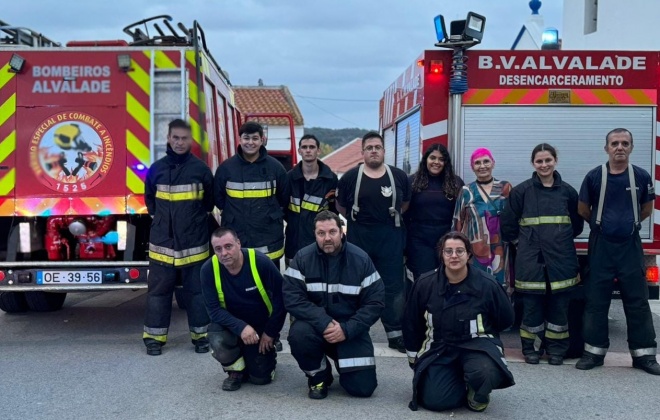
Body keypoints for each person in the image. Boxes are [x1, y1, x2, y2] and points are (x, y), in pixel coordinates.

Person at [576, 128, 660, 375]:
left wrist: (626, 225)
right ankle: (593, 353)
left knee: (638, 301)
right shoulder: (594, 177)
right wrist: (602, 224)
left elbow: (646, 209)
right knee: (596, 301)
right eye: (615, 143)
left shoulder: (642, 177)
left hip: (630, 245)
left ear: (631, 147)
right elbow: (583, 209)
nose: (620, 147)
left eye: (625, 143)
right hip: (601, 244)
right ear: (606, 148)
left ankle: (644, 356)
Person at [403, 232, 515, 413]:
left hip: (476, 346)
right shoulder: (425, 284)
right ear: (441, 254)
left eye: (459, 251)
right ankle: (459, 379)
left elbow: (505, 319)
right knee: (435, 401)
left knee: (484, 372)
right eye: (448, 251)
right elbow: (411, 324)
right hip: (440, 348)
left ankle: (478, 391)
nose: (454, 255)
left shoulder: (487, 284)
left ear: (469, 254)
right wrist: (415, 361)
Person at [283, 211, 385, 399]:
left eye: (332, 232)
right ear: (315, 234)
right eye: (321, 233)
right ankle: (319, 376)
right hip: (316, 328)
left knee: (362, 389)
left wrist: (346, 329)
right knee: (299, 334)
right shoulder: (302, 258)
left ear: (341, 232)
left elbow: (375, 302)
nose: (327, 238)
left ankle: (345, 364)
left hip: (350, 330)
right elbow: (292, 297)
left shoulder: (360, 259)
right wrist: (324, 322)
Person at [501, 143, 583, 366]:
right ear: (533, 163)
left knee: (559, 308)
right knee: (531, 308)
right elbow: (507, 224)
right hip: (531, 260)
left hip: (561, 259)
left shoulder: (568, 192)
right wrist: (523, 244)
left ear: (555, 160)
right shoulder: (521, 192)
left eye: (548, 160)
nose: (544, 165)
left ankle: (556, 350)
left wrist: (558, 240)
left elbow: (576, 226)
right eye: (539, 161)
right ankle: (531, 350)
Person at [335, 131, 412, 353]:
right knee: (356, 287)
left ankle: (395, 333)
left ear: (384, 151)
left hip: (391, 238)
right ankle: (356, 330)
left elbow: (405, 203)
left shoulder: (398, 176)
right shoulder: (350, 177)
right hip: (359, 238)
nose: (374, 151)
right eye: (369, 148)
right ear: (363, 152)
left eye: (377, 147)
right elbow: (341, 207)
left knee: (393, 287)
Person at [142, 118, 213, 356]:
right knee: (158, 292)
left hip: (194, 243)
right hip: (163, 243)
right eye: (176, 138)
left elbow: (209, 203)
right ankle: (154, 338)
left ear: (190, 140)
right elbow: (150, 202)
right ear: (168, 139)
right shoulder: (156, 169)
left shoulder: (201, 170)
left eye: (184, 138)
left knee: (197, 292)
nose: (180, 142)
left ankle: (202, 337)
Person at [200, 227, 287, 391]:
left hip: (261, 328)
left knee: (261, 379)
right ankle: (235, 371)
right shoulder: (208, 270)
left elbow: (281, 299)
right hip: (232, 327)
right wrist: (241, 328)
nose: (224, 253)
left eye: (228, 246)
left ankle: (266, 355)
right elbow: (213, 310)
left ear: (238, 244)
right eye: (218, 249)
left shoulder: (260, 262)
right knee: (216, 337)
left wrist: (271, 333)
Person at [214, 121, 288, 268]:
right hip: (236, 232)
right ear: (240, 140)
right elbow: (218, 198)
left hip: (268, 236)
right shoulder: (226, 168)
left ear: (262, 140)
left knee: (268, 285)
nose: (250, 142)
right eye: (246, 138)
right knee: (235, 283)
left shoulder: (276, 168)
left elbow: (283, 199)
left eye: (255, 138)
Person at [452, 147, 512, 287]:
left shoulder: (505, 187)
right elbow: (457, 223)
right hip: (475, 251)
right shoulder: (466, 191)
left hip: (500, 249)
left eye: (486, 161)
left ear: (493, 163)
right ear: (472, 167)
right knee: (474, 286)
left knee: (499, 288)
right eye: (477, 163)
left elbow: (514, 218)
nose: (482, 166)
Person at [405, 144, 464, 283]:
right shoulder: (412, 182)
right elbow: (404, 213)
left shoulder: (456, 182)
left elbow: (463, 213)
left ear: (446, 163)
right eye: (432, 158)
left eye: (441, 159)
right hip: (419, 241)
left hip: (447, 239)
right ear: (425, 159)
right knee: (424, 279)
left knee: (447, 278)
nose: (436, 162)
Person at [284, 134, 338, 265]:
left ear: (318, 150)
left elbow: (333, 212)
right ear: (299, 151)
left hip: (320, 242)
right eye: (304, 147)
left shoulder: (330, 179)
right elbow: (282, 207)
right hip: (293, 242)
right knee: (294, 282)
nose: (308, 150)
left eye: (312, 147)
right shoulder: (288, 178)